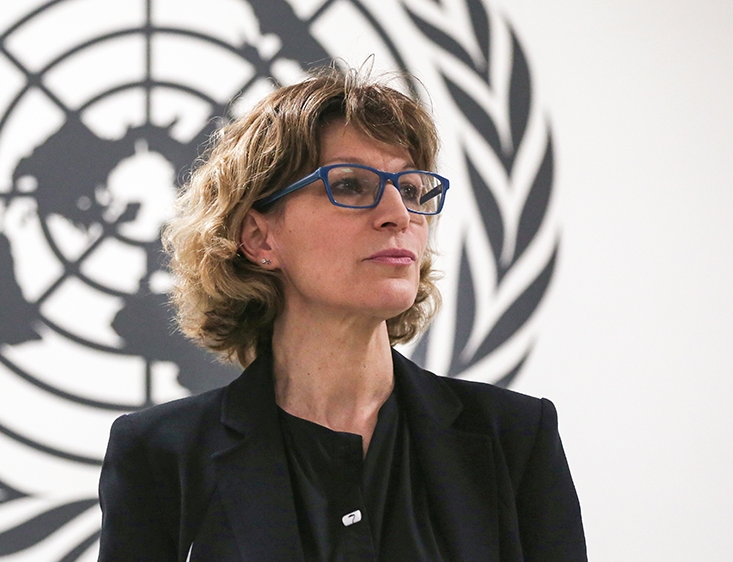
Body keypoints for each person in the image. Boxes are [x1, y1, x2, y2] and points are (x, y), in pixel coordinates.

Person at [98, 68, 586, 562]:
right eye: (351, 185)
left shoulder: (516, 436)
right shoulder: (160, 456)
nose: (399, 213)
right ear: (259, 238)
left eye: (414, 189)